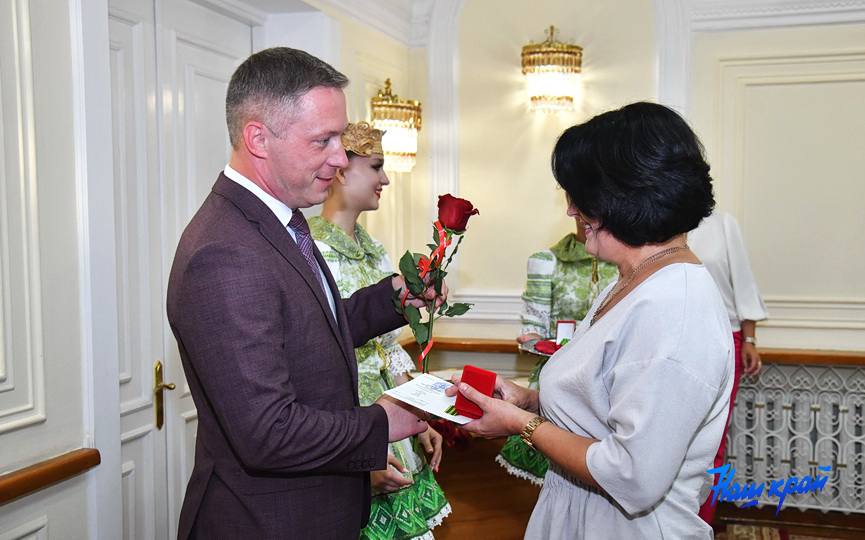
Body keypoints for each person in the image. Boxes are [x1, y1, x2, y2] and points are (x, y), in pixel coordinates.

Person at [166, 48, 444, 539]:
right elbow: (267, 433)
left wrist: (394, 298)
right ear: (258, 139)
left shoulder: (283, 221)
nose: (340, 160)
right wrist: (383, 421)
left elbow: (312, 331)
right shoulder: (224, 253)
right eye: (324, 141)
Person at [448, 102, 735, 539]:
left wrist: (521, 425)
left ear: (618, 197)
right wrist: (528, 400)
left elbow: (633, 475)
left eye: (577, 194)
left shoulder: (674, 307)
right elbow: (606, 400)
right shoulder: (633, 279)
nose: (570, 211)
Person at [309, 121, 451, 539]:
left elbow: (388, 349)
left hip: (392, 422)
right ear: (340, 170)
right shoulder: (313, 254)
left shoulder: (374, 250)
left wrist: (422, 419)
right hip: (352, 429)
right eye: (376, 166)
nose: (386, 178)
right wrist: (353, 458)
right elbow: (318, 368)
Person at [500, 230, 617, 485]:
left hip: (611, 382)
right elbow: (532, 330)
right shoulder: (547, 261)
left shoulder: (628, 260)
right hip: (559, 379)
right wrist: (538, 341)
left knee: (608, 467)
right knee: (558, 477)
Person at [689, 211, 768, 524]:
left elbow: (744, 283)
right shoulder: (654, 222)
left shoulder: (722, 224)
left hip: (725, 337)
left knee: (712, 440)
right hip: (672, 334)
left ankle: (701, 523)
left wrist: (749, 339)